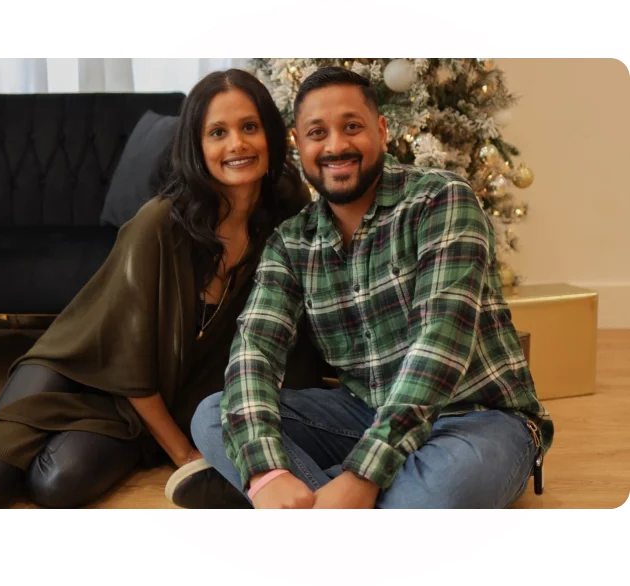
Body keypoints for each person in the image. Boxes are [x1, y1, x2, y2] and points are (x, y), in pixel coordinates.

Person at [167, 66, 555, 509]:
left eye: (351, 127)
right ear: (298, 143)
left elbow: (440, 345)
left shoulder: (442, 200)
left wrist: (363, 474)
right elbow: (255, 350)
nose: (335, 146)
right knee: (214, 415)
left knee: (441, 493)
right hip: (363, 414)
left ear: (382, 131)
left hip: (476, 418)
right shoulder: (291, 242)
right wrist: (265, 470)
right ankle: (302, 494)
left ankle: (296, 500)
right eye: (318, 132)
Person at [0, 68, 330, 512]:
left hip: (139, 402)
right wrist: (184, 456)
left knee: (55, 485)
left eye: (249, 127)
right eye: (217, 132)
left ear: (272, 135)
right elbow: (131, 363)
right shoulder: (159, 224)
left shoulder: (288, 217)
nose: (236, 144)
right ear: (197, 146)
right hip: (78, 368)